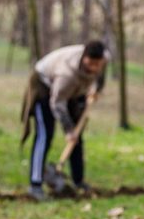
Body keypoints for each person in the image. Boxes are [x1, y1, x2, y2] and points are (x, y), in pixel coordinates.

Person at [21, 40, 108, 200]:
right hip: (44, 85)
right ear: (84, 58)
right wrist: (68, 129)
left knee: (77, 136)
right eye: (91, 64)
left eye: (98, 64)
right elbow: (57, 103)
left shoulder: (104, 57)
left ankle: (78, 181)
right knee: (44, 134)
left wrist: (97, 89)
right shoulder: (66, 74)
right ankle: (35, 185)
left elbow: (100, 76)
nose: (94, 68)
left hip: (75, 90)